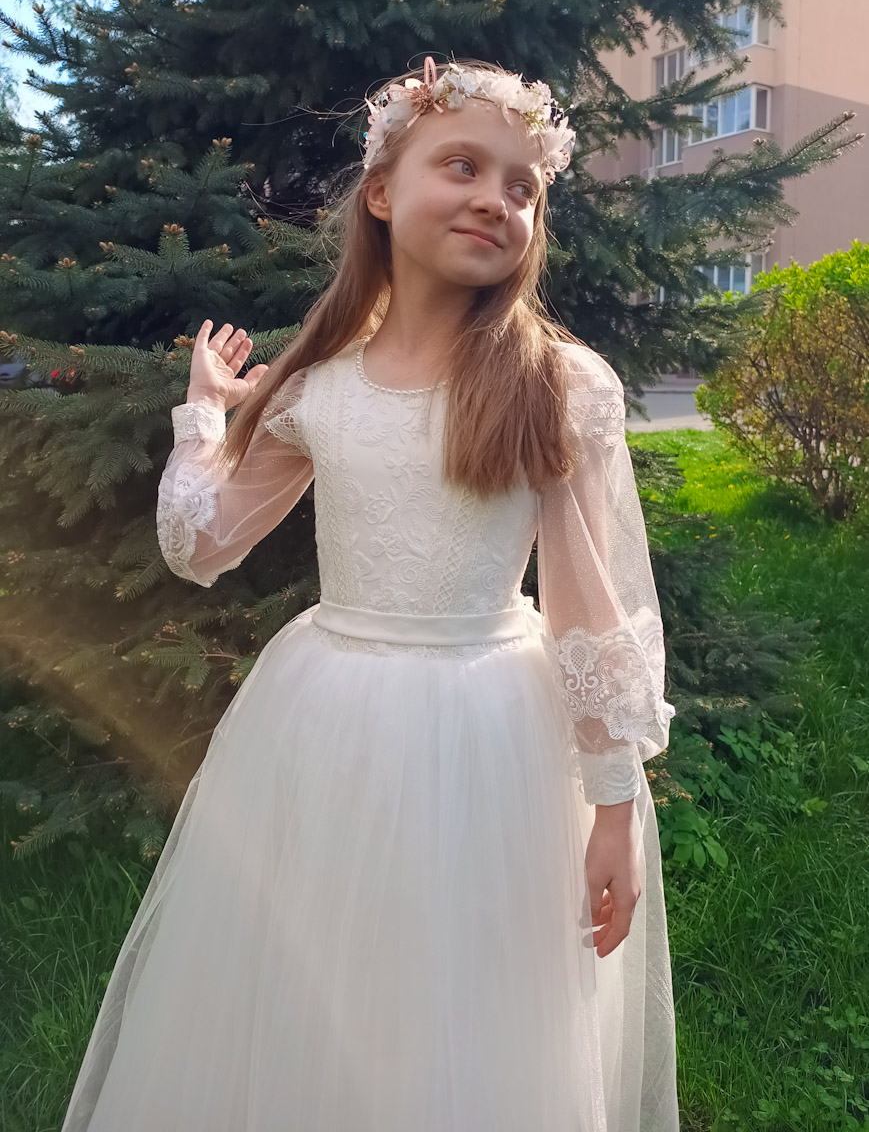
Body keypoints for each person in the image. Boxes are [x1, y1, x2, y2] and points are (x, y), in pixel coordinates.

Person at [61, 55, 679, 1131]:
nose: (494, 199)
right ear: (382, 192)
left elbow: (592, 606)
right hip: (325, 724)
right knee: (315, 975)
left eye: (522, 186)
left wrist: (614, 804)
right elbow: (199, 544)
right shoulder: (315, 384)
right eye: (461, 166)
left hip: (495, 732)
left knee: (476, 992)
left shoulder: (556, 384)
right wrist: (204, 417)